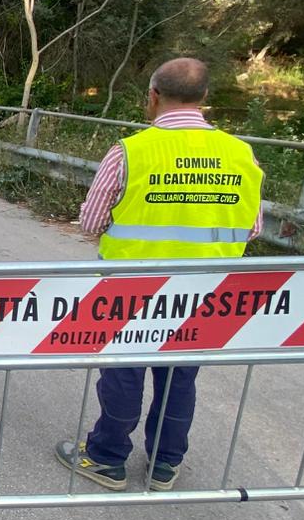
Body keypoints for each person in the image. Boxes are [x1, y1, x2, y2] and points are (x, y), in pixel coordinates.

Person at [56, 56, 264, 491]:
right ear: (206, 98)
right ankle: (165, 464)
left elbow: (92, 223)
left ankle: (107, 458)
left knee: (124, 372)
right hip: (205, 291)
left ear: (152, 96)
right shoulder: (241, 154)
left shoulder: (129, 151)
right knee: (180, 374)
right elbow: (253, 227)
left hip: (131, 286)